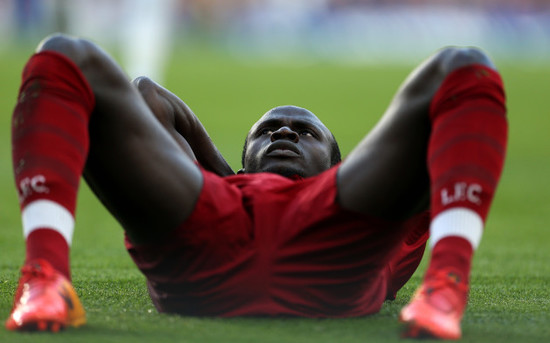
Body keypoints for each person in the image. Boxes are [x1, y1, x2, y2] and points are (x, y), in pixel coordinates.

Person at [6, 33, 507, 340]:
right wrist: (228, 178)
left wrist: (354, 175)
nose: (284, 132)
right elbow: (148, 96)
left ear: (341, 164)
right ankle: (46, 278)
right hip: (210, 222)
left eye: (305, 132)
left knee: (462, 64)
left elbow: (443, 134)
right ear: (242, 162)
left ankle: (446, 288)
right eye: (266, 131)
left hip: (335, 231)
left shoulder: (377, 215)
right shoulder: (216, 188)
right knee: (65, 54)